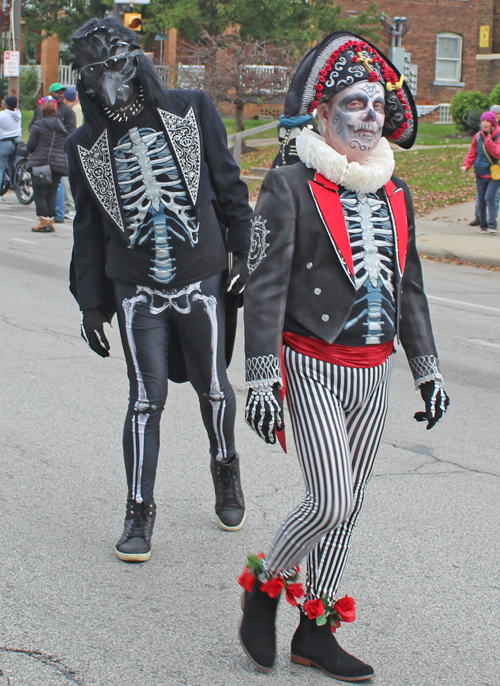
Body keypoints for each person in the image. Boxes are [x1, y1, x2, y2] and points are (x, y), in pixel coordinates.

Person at [238, 31, 450, 681]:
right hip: (311, 364)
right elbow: (265, 285)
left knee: (349, 506)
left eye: (378, 104)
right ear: (323, 114)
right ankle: (264, 586)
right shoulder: (288, 185)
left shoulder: (396, 193)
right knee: (329, 500)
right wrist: (260, 378)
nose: (371, 115)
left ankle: (316, 632)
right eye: (355, 103)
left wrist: (428, 368)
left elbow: (408, 286)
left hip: (372, 371)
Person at [67, 18, 252, 563]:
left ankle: (226, 468)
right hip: (136, 286)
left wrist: (244, 255)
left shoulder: (190, 110)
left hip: (202, 276)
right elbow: (87, 226)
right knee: (146, 400)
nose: (108, 83)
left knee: (213, 387)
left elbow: (229, 185)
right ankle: (138, 511)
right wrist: (91, 302)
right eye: (94, 72)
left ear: (136, 61)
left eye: (115, 67)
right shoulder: (86, 143)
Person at [27, 99, 69, 232]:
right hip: (57, 163)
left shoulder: (38, 125)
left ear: (42, 110)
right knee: (52, 193)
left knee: (40, 193)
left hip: (41, 162)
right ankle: (51, 221)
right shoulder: (61, 127)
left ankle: (43, 220)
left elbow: (31, 145)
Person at [462, 111, 500, 235]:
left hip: (494, 173)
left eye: (488, 121)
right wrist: (467, 165)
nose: (485, 123)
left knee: (490, 197)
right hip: (480, 172)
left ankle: (492, 225)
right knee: (481, 200)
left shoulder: (498, 136)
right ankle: (483, 226)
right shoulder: (478, 136)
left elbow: (497, 153)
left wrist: (489, 142)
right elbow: (473, 152)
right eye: (483, 121)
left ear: (493, 123)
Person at [0, 95, 22, 198]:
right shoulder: (18, 114)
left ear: (6, 104)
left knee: (0, 169)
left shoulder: (2, 115)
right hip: (17, 142)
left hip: (4, 143)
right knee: (16, 166)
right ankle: (19, 192)